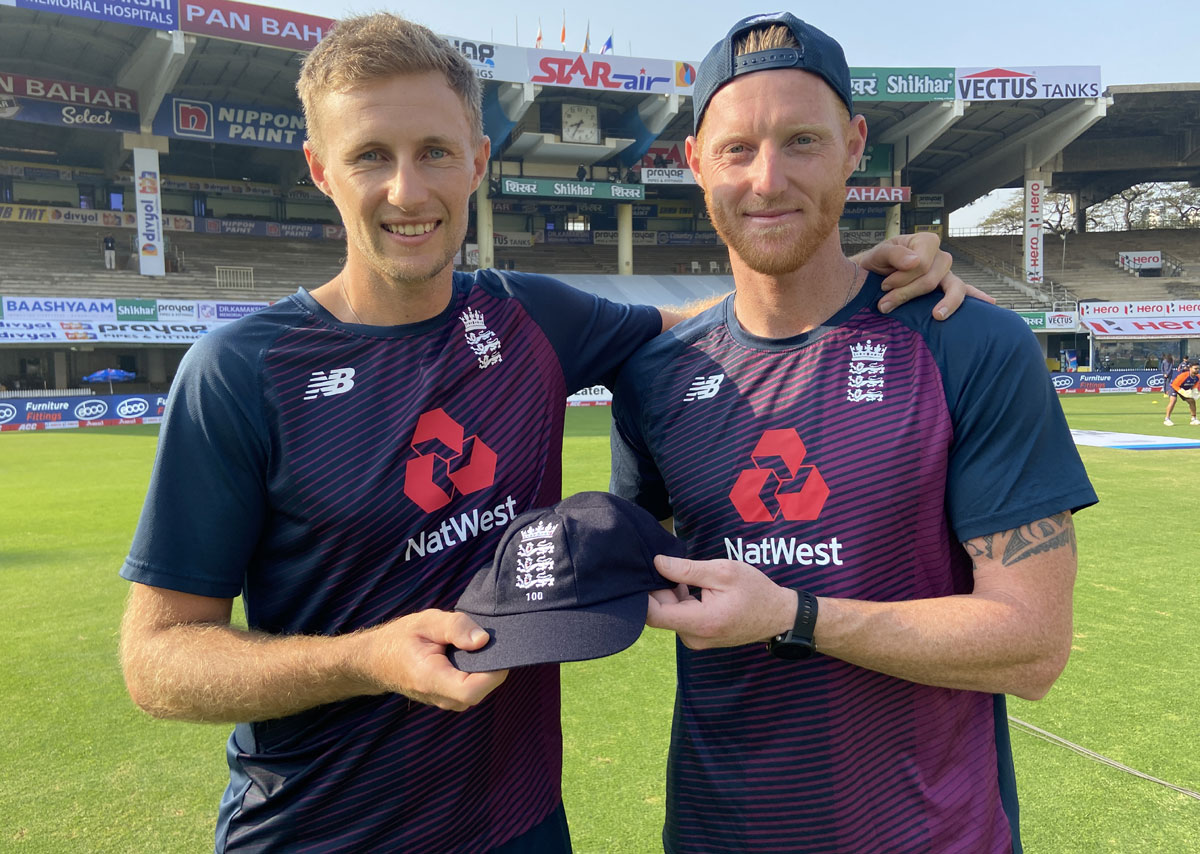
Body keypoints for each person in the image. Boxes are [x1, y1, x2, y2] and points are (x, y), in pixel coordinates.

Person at [117, 12, 976, 854]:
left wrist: (852, 273)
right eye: (371, 156)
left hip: (525, 825)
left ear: (478, 162)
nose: (407, 191)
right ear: (319, 169)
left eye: (435, 153)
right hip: (319, 830)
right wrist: (364, 658)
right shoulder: (240, 371)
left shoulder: (527, 318)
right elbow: (156, 661)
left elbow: (725, 321)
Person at [610, 13, 1098, 853]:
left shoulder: (969, 342)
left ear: (855, 146)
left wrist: (795, 614)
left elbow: (1031, 647)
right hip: (717, 833)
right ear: (694, 163)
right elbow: (622, 574)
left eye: (802, 140)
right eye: (736, 149)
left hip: (932, 835)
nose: (768, 180)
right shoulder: (654, 375)